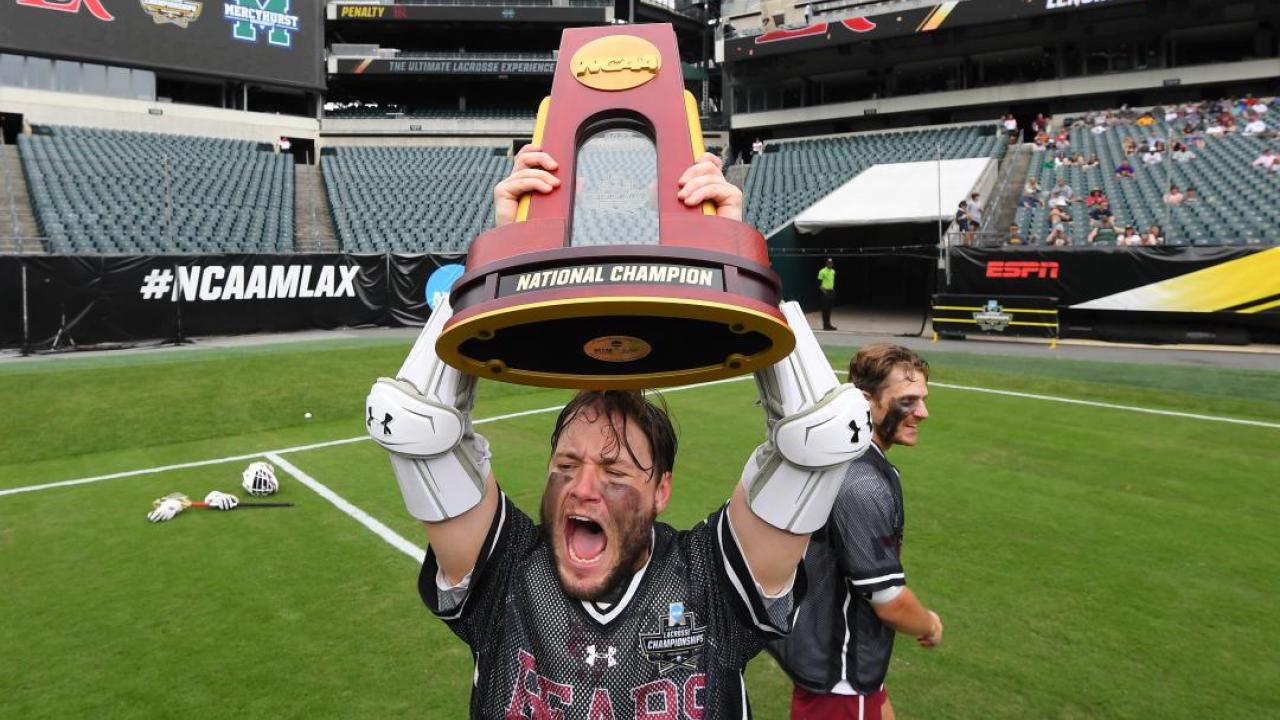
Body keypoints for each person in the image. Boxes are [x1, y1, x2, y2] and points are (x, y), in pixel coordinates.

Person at [368, 146, 875, 718]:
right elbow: (416, 423)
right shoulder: (506, 576)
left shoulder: (708, 582)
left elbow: (822, 436)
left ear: (662, 489)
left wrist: (735, 257)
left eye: (615, 471)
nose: (583, 488)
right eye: (565, 466)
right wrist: (503, 256)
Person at [769, 345, 943, 720]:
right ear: (867, 401)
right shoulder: (861, 483)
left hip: (836, 667)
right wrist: (928, 623)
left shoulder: (848, 460)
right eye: (908, 401)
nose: (923, 413)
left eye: (924, 400)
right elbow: (890, 601)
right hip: (839, 683)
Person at [818, 258, 837, 331]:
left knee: (829, 309)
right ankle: (825, 325)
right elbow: (818, 283)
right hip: (825, 292)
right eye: (829, 263)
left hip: (831, 291)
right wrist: (824, 291)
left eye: (831, 263)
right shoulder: (822, 271)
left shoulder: (833, 271)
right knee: (825, 309)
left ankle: (829, 325)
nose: (830, 264)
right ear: (826, 263)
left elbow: (831, 280)